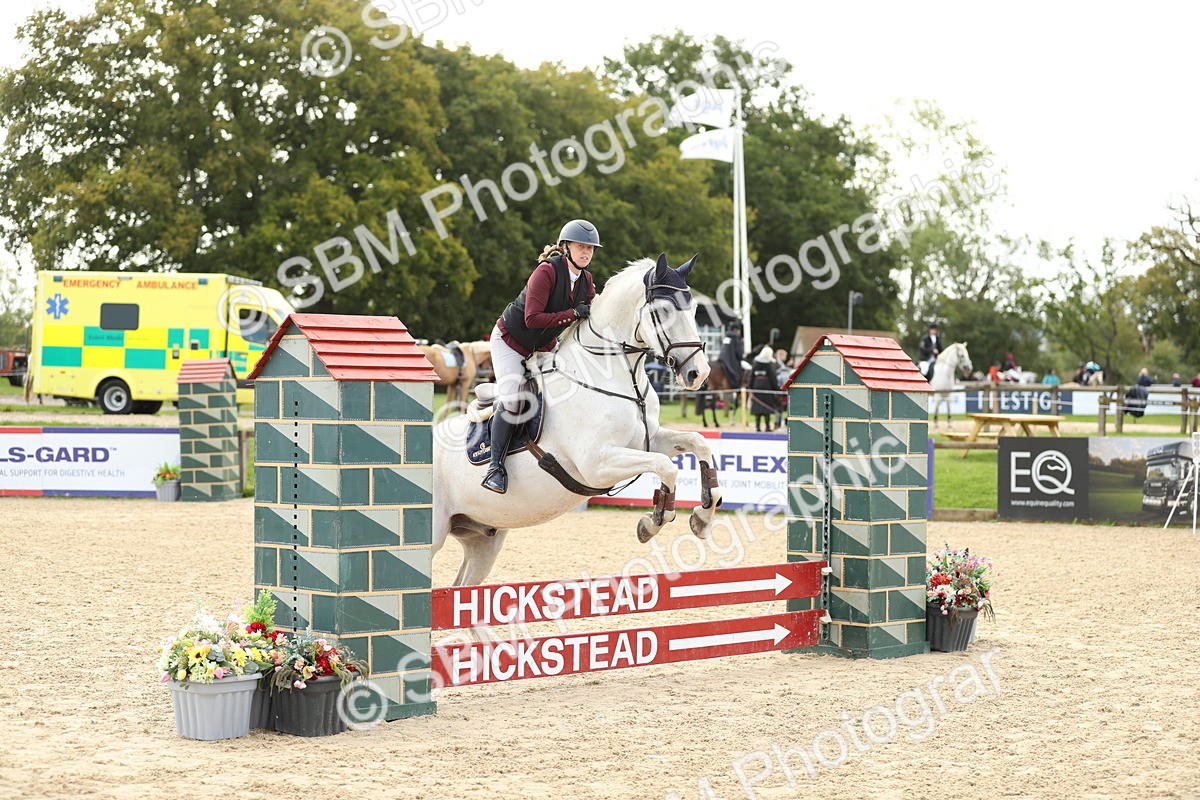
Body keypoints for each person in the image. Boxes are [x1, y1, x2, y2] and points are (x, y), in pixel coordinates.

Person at [482, 219, 599, 494]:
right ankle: (495, 468)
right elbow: (532, 318)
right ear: (565, 247)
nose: (586, 253)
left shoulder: (587, 280)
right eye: (581, 246)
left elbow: (594, 311)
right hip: (511, 342)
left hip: (543, 347)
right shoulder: (546, 272)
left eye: (591, 248)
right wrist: (572, 314)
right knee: (513, 401)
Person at [748, 346, 779, 432]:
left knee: (758, 407)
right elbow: (773, 377)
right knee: (767, 408)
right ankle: (767, 426)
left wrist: (750, 387)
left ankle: (757, 426)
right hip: (767, 387)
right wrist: (775, 388)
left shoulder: (756, 362)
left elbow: (751, 376)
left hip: (756, 387)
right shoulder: (769, 364)